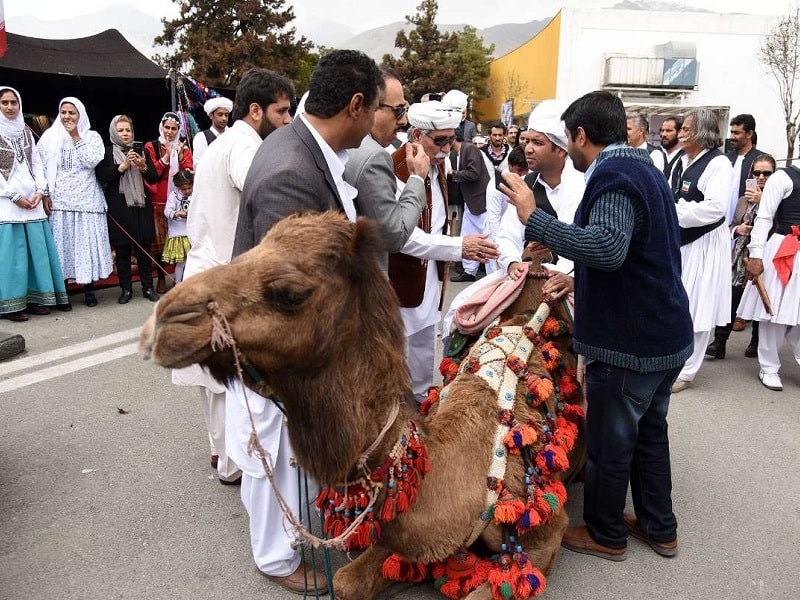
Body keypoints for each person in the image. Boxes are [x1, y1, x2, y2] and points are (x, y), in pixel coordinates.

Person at [502, 90, 692, 563]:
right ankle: (658, 526)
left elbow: (607, 248)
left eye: (567, 138)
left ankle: (607, 534)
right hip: (664, 333)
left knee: (610, 442)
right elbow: (626, 252)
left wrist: (535, 218)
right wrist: (577, 275)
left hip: (631, 343)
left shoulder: (612, 175)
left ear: (581, 136)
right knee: (651, 433)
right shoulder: (645, 167)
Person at [230, 50, 384, 594]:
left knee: (283, 453)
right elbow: (286, 296)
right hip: (275, 351)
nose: (374, 126)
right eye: (376, 112)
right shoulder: (292, 171)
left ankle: (290, 539)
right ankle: (276, 558)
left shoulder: (301, 148)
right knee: (269, 452)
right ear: (356, 105)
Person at [173, 67, 294, 501]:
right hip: (223, 273)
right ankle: (233, 464)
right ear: (256, 110)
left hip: (205, 269)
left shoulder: (223, 143)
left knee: (214, 381)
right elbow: (266, 194)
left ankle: (221, 453)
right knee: (229, 379)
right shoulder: (246, 146)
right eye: (282, 111)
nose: (287, 120)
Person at [388, 101, 499, 402]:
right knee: (395, 364)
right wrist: (461, 247)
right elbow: (405, 237)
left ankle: (421, 419)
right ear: (415, 136)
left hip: (432, 281)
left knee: (424, 362)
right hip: (400, 282)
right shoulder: (394, 170)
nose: (447, 147)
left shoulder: (439, 165)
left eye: (451, 139)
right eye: (440, 140)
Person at [670, 109, 733, 393]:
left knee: (699, 303)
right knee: (680, 301)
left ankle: (687, 372)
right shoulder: (683, 160)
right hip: (682, 241)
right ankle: (672, 359)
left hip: (705, 242)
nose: (681, 132)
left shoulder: (719, 164)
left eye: (686, 128)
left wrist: (674, 212)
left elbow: (716, 207)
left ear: (701, 132)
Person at [343, 66, 429, 271]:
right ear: (368, 106)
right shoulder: (374, 156)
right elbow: (394, 235)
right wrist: (417, 179)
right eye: (398, 110)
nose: (403, 121)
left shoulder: (346, 144)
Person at [0, 87, 68, 321]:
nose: (10, 107)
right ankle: (12, 304)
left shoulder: (25, 132)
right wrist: (12, 195)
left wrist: (41, 190)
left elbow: (36, 162)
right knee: (13, 256)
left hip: (33, 202)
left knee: (36, 253)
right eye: (4, 103)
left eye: (13, 103)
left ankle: (36, 298)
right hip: (8, 204)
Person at [497, 99, 585, 278]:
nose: (528, 149)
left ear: (561, 149)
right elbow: (507, 235)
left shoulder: (584, 186)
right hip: (529, 277)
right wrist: (512, 263)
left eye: (537, 142)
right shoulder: (525, 184)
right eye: (527, 141)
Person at [38, 96, 113, 308]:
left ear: (80, 115)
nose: (67, 116)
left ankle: (88, 289)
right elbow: (40, 168)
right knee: (62, 246)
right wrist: (45, 194)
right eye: (64, 112)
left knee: (85, 246)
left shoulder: (92, 136)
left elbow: (91, 160)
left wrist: (75, 135)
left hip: (87, 201)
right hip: (60, 201)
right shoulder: (49, 137)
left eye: (72, 113)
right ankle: (63, 293)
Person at [737, 153, 800, 392]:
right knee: (772, 311)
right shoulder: (782, 177)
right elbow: (763, 218)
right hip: (782, 248)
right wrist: (756, 255)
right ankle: (769, 367)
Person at [706, 154, 775, 359]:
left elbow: (779, 226)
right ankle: (719, 342)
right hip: (739, 258)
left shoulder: (780, 200)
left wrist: (764, 201)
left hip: (763, 256)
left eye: (767, 173)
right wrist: (738, 229)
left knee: (759, 299)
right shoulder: (743, 200)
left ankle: (756, 343)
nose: (761, 177)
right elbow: (730, 225)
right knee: (732, 297)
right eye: (757, 173)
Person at [96, 114, 159, 304]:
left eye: (128, 130)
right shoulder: (106, 153)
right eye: (121, 130)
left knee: (144, 249)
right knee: (123, 251)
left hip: (141, 207)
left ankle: (148, 288)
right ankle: (126, 289)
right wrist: (122, 167)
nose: (125, 134)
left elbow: (154, 177)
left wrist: (142, 166)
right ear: (114, 132)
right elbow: (102, 176)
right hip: (120, 208)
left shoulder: (142, 151)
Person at [143, 112, 193, 294]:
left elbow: (188, 173)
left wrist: (178, 157)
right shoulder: (152, 146)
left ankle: (181, 276)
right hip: (158, 200)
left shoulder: (184, 149)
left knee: (181, 240)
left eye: (174, 128)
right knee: (160, 243)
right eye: (167, 127)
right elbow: (150, 172)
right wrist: (167, 157)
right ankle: (162, 277)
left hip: (180, 201)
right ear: (161, 127)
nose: (170, 132)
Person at [448, 130, 491, 282]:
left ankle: (492, 275)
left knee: (488, 237)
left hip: (481, 202)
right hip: (469, 203)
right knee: (467, 235)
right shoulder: (454, 154)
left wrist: (454, 173)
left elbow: (474, 173)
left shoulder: (470, 149)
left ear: (452, 139)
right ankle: (469, 272)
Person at [484, 146, 528, 274]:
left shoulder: (528, 180)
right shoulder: (495, 186)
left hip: (518, 235)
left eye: (525, 171)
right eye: (519, 171)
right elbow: (494, 219)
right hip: (497, 236)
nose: (522, 176)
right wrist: (500, 251)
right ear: (509, 166)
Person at [163, 169, 193, 284]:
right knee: (181, 262)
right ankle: (179, 284)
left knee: (191, 261)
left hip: (191, 233)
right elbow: (167, 211)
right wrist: (177, 213)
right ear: (178, 186)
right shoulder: (174, 196)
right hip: (179, 234)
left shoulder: (194, 194)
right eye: (184, 189)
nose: (187, 191)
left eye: (189, 188)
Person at [192, 96, 232, 165]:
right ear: (211, 116)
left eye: (226, 115)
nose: (224, 118)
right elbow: (198, 165)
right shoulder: (202, 137)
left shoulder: (233, 135)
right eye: (220, 115)